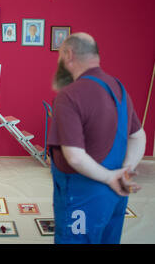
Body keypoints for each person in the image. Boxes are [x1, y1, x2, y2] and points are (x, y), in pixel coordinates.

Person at [48, 32, 146, 244]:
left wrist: (108, 177)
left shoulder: (70, 94)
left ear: (69, 54)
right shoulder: (118, 88)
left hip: (82, 195)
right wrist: (123, 173)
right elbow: (139, 137)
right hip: (115, 196)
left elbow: (74, 157)